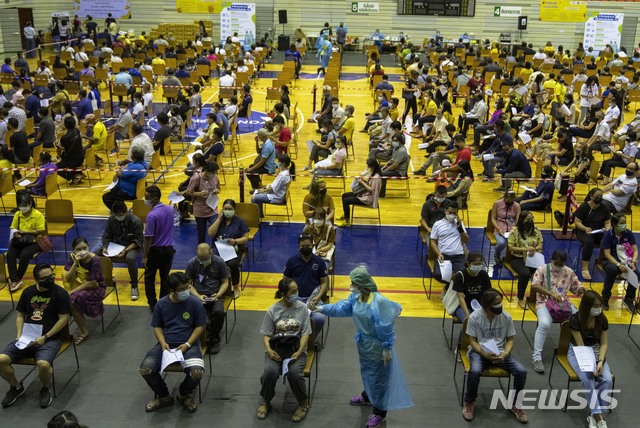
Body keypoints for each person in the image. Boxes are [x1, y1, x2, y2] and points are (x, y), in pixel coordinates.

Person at [309, 266, 413, 428]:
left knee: (379, 380)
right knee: (367, 373)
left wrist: (387, 348)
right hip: (364, 344)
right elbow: (342, 308)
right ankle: (368, 396)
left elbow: (386, 328)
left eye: (354, 283)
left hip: (378, 347)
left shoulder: (379, 303)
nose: (351, 286)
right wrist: (322, 309)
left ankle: (380, 412)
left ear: (363, 284)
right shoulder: (356, 297)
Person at [0, 264, 70, 409]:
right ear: (37, 280)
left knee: (43, 364)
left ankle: (44, 387)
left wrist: (45, 336)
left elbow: (63, 319)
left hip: (50, 338)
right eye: (46, 278)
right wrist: (19, 335)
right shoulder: (28, 292)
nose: (50, 279)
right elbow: (20, 315)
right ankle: (16, 387)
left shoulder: (61, 293)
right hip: (26, 337)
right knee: (1, 360)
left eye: (51, 276)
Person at [139, 272, 206, 413]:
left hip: (189, 345)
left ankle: (183, 394)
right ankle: (164, 397)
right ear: (172, 291)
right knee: (146, 369)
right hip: (166, 345)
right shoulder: (161, 304)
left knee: (196, 372)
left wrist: (187, 344)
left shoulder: (195, 303)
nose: (186, 291)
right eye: (182, 289)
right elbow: (156, 326)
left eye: (187, 287)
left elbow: (200, 326)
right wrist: (163, 343)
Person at [462, 288, 528, 423]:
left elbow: (510, 340)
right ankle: (469, 402)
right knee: (474, 371)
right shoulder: (474, 317)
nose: (500, 306)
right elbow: (473, 341)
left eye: (500, 302)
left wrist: (504, 354)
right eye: (496, 303)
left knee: (521, 371)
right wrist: (484, 354)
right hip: (479, 351)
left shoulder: (506, 317)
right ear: (486, 305)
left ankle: (516, 405)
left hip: (500, 353)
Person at [256, 278, 311, 422]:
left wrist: (299, 352)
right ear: (284, 293)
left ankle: (303, 403)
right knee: (270, 372)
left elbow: (305, 333)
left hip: (296, 350)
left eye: (296, 290)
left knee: (294, 373)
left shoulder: (302, 308)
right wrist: (269, 350)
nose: (296, 293)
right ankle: (266, 400)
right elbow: (267, 334)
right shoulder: (273, 310)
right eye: (293, 291)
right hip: (276, 349)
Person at [529, 250, 585, 374]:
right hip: (544, 303)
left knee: (578, 321)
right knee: (544, 324)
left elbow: (577, 286)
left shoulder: (568, 271)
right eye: (556, 263)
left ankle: (577, 352)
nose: (558, 267)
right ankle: (536, 356)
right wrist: (551, 293)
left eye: (561, 265)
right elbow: (534, 286)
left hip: (563, 304)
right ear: (551, 260)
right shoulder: (542, 269)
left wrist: (581, 289)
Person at [567, 290, 613, 428]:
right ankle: (598, 416)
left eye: (600, 305)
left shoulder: (602, 319)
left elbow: (604, 344)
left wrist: (599, 362)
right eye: (596, 305)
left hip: (596, 350)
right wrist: (591, 366)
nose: (599, 308)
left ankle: (593, 415)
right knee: (588, 379)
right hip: (578, 352)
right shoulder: (575, 320)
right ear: (587, 306)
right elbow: (581, 347)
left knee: (607, 379)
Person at [185, 243, 230, 354]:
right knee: (205, 319)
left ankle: (215, 337)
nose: (203, 260)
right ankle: (205, 337)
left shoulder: (219, 262)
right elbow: (188, 284)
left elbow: (225, 282)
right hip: (198, 296)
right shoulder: (192, 263)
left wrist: (218, 294)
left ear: (211, 252)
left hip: (215, 295)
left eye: (205, 258)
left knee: (219, 312)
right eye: (201, 258)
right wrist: (198, 296)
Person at [283, 235, 329, 341]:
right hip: (295, 299)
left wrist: (318, 297)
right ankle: (296, 339)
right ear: (298, 246)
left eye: (308, 245)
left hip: (313, 299)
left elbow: (324, 283)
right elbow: (285, 281)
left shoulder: (319, 262)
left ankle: (311, 340)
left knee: (320, 318)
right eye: (303, 245)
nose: (305, 247)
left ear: (312, 245)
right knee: (289, 319)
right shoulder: (292, 261)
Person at [62, 237, 105, 346]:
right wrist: (75, 263)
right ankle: (72, 329)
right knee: (67, 300)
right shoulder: (72, 258)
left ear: (88, 247)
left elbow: (91, 283)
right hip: (79, 285)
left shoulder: (94, 260)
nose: (82, 251)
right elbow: (68, 278)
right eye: (78, 249)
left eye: (84, 248)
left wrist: (72, 292)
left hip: (96, 287)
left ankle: (84, 331)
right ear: (73, 251)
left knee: (72, 299)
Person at [207, 199, 250, 299]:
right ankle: (215, 285)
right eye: (225, 209)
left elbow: (245, 238)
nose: (227, 211)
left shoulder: (240, 222)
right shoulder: (218, 220)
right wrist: (218, 219)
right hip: (218, 248)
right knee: (213, 262)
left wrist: (235, 241)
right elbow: (210, 233)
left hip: (234, 248)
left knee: (232, 264)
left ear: (234, 210)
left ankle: (235, 286)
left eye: (229, 209)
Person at [143, 186, 175, 312]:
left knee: (149, 277)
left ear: (154, 198)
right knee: (165, 276)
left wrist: (145, 256)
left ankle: (152, 303)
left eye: (146, 198)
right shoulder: (170, 209)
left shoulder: (152, 215)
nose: (145, 200)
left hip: (156, 250)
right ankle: (164, 302)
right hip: (169, 249)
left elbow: (148, 238)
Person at [600, 212, 639, 312]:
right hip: (610, 260)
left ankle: (629, 299)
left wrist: (633, 262)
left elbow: (635, 251)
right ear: (614, 224)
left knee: (636, 273)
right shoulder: (608, 235)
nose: (624, 225)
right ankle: (605, 297)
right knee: (612, 270)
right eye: (621, 223)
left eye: (624, 222)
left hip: (626, 260)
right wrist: (618, 264)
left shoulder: (628, 233)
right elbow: (607, 254)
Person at [6, 192, 46, 292]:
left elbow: (40, 230)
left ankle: (16, 279)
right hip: (20, 240)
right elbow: (13, 227)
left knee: (24, 255)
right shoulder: (17, 214)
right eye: (20, 205)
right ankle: (16, 280)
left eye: (24, 205)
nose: (22, 208)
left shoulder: (38, 215)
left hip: (33, 241)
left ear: (30, 204)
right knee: (10, 255)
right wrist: (15, 233)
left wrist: (26, 231)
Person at [573, 188, 611, 280]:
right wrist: (585, 228)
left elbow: (607, 222)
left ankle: (603, 260)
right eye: (597, 196)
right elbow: (577, 222)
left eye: (601, 196)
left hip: (599, 230)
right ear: (591, 196)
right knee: (589, 242)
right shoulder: (584, 207)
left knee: (609, 238)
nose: (599, 198)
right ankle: (585, 268)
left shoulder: (604, 207)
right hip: (583, 230)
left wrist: (607, 230)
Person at [507, 210, 544, 308]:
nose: (530, 221)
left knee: (541, 271)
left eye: (531, 218)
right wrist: (525, 249)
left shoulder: (536, 230)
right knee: (525, 274)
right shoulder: (514, 231)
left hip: (533, 257)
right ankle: (520, 297)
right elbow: (510, 247)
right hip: (517, 258)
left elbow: (540, 244)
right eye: (528, 219)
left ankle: (535, 297)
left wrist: (534, 249)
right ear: (522, 220)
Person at [182, 161, 221, 244]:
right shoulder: (196, 178)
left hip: (212, 207)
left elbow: (219, 188)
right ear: (206, 171)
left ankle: (215, 247)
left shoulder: (215, 177)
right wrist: (199, 194)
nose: (214, 174)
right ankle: (201, 249)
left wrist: (217, 191)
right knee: (201, 232)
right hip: (200, 209)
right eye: (212, 172)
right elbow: (189, 192)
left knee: (216, 229)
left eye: (215, 172)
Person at [337, 157, 382, 227]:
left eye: (368, 166)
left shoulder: (376, 178)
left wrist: (362, 183)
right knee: (344, 195)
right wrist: (363, 180)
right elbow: (369, 184)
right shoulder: (373, 173)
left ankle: (347, 221)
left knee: (346, 201)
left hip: (368, 199)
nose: (367, 168)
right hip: (364, 194)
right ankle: (346, 214)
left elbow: (372, 190)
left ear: (373, 167)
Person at [430, 202, 469, 282]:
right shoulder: (437, 224)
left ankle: (453, 285)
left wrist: (460, 228)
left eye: (454, 213)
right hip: (444, 256)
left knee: (463, 275)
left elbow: (466, 240)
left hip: (458, 256)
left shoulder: (460, 224)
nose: (452, 215)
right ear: (445, 211)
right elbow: (433, 242)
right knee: (438, 275)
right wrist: (438, 254)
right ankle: (451, 284)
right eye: (450, 212)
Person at [451, 252, 492, 325]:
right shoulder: (460, 276)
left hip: (479, 306)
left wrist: (487, 310)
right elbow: (461, 298)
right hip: (462, 306)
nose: (478, 266)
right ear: (468, 263)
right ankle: (464, 336)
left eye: (480, 264)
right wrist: (467, 315)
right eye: (475, 264)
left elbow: (488, 294)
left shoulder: (484, 275)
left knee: (485, 321)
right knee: (469, 323)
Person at [491, 190, 520, 264]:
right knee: (501, 243)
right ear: (505, 198)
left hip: (512, 228)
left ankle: (512, 258)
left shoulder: (517, 205)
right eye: (508, 201)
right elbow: (493, 219)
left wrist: (515, 228)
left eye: (512, 202)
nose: (510, 203)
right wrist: (498, 228)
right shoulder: (497, 203)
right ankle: (497, 255)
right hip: (500, 227)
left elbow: (517, 219)